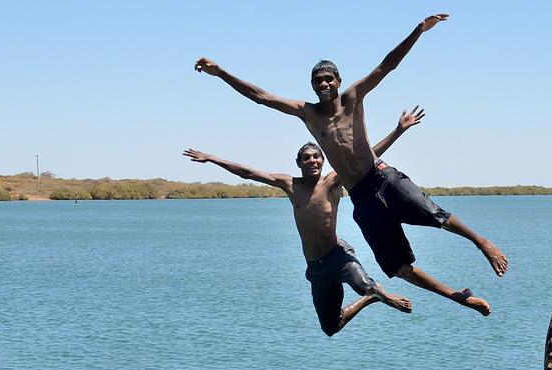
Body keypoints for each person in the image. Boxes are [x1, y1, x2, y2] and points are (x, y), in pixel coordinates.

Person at [194, 13, 508, 316]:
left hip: (383, 178)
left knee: (433, 214)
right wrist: (221, 72)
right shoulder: (308, 113)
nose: (323, 84)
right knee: (397, 268)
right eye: (317, 81)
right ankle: (459, 298)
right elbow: (261, 96)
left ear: (339, 80)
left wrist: (418, 31)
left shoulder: (353, 97)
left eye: (328, 79)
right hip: (361, 197)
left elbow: (387, 65)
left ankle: (482, 243)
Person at [183, 109, 424, 336]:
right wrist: (211, 158)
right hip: (315, 266)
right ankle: (370, 298)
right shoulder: (290, 185)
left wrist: (398, 131)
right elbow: (248, 173)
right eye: (306, 158)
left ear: (323, 161)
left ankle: (380, 294)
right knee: (331, 327)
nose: (312, 161)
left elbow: (365, 157)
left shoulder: (331, 181)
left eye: (316, 157)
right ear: (298, 163)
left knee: (364, 284)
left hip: (337, 255)